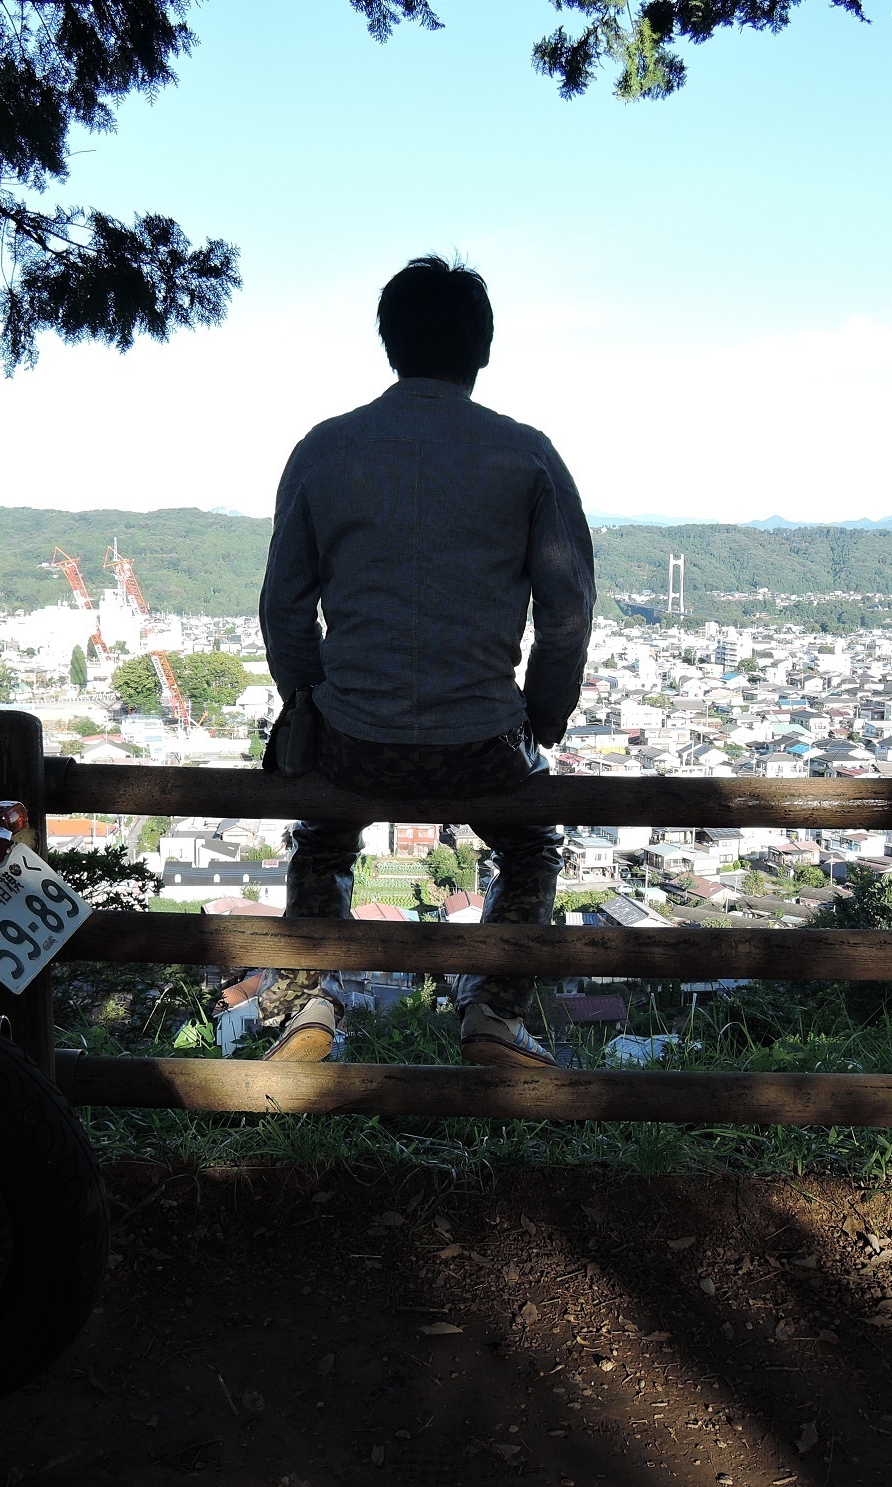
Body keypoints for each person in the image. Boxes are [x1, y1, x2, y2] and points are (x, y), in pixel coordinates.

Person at [255, 255, 595, 1067]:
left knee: (325, 838)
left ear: (389, 343)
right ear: (481, 350)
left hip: (351, 734)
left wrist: (309, 699)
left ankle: (313, 1007)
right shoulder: (527, 455)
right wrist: (539, 718)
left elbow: (283, 606)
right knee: (529, 847)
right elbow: (568, 615)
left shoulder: (325, 449)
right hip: (482, 740)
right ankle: (494, 1018)